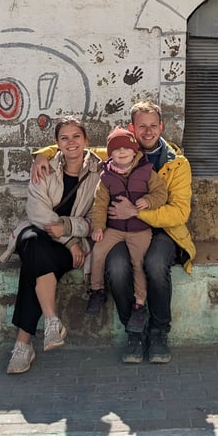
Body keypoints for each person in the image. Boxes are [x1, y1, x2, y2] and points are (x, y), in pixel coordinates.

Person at [32, 100, 195, 365]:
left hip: (163, 231)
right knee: (116, 265)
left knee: (153, 264)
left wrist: (137, 212)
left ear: (161, 127)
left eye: (154, 125)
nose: (148, 131)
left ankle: (158, 331)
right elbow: (76, 147)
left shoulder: (177, 164)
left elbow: (178, 213)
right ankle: (134, 330)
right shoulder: (121, 150)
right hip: (120, 229)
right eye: (142, 126)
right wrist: (42, 154)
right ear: (133, 128)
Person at [0, 116, 102, 374]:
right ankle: (50, 320)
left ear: (86, 140)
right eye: (64, 138)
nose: (71, 143)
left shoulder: (99, 172)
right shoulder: (44, 168)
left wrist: (67, 229)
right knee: (33, 243)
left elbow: (96, 219)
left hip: (71, 243)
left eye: (76, 136)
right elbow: (36, 211)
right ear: (56, 144)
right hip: (42, 236)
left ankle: (23, 345)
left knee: (33, 266)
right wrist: (68, 241)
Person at [87, 126, 168, 338]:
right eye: (116, 149)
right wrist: (98, 227)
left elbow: (161, 192)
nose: (122, 152)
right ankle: (97, 290)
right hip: (114, 229)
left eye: (126, 148)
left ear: (135, 151)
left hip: (140, 231)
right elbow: (100, 205)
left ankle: (139, 304)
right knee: (98, 253)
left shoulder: (146, 171)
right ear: (109, 153)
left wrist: (148, 201)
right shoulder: (106, 177)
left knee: (138, 264)